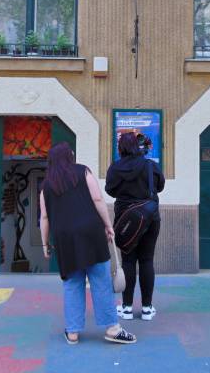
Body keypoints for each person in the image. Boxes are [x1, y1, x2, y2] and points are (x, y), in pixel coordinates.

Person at [40, 142, 136, 345]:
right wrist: (108, 225)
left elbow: (45, 218)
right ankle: (112, 329)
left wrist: (44, 244)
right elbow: (97, 199)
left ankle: (72, 332)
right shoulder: (83, 172)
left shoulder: (47, 184)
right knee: (101, 281)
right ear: (69, 156)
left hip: (65, 239)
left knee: (72, 284)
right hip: (91, 233)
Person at [105, 132, 165, 321]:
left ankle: (127, 308)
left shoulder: (115, 167)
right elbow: (160, 186)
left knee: (128, 261)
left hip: (125, 220)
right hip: (150, 217)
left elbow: (109, 190)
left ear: (121, 148)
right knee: (147, 260)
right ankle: (147, 308)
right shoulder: (151, 166)